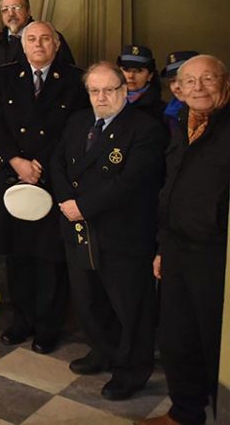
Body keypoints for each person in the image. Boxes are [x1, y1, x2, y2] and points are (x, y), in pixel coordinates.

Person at [51, 62, 166, 401]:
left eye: (109, 89)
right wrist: (67, 200)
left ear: (124, 90)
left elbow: (130, 182)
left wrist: (82, 206)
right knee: (88, 300)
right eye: (94, 90)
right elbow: (58, 162)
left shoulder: (146, 129)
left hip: (122, 232)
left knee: (130, 308)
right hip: (79, 229)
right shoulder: (78, 121)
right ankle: (102, 351)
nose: (102, 97)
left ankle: (131, 372)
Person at [0, 21, 88, 354]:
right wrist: (17, 161)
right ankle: (22, 321)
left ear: (57, 45)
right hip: (13, 179)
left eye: (46, 39)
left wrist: (41, 166)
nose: (38, 44)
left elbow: (76, 131)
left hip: (52, 179)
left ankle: (48, 327)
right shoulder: (4, 77)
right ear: (23, 44)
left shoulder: (75, 80)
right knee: (18, 257)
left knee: (50, 259)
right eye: (32, 39)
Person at [143, 56, 230, 425]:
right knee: (178, 339)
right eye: (189, 81)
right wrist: (163, 246)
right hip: (177, 248)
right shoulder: (180, 123)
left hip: (218, 256)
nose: (198, 87)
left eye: (208, 79)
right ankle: (184, 414)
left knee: (215, 345)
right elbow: (171, 189)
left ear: (225, 83)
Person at [0, 0, 75, 97]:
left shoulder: (51, 37)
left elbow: (68, 75)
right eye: (5, 10)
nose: (11, 14)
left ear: (28, 11)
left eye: (16, 8)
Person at [117, 45, 166, 125]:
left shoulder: (162, 111)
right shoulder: (104, 101)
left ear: (150, 75)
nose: (131, 76)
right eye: (126, 70)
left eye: (138, 71)